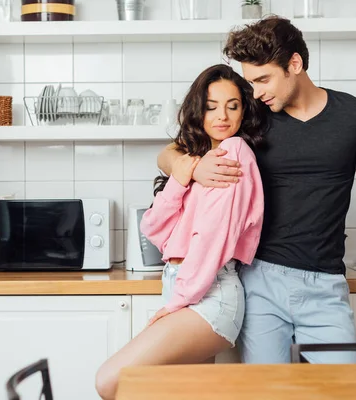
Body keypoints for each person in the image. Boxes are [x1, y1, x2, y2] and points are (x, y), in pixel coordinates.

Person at [156, 16, 356, 365]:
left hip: (326, 285)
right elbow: (171, 152)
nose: (257, 92)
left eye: (263, 79)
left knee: (343, 392)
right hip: (260, 280)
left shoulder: (355, 115)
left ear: (295, 64)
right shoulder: (252, 119)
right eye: (251, 82)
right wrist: (194, 167)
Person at [94, 64, 268, 400]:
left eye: (233, 106)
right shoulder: (195, 159)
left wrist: (180, 301)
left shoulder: (236, 153)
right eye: (212, 106)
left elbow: (213, 239)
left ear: (244, 112)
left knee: (111, 380)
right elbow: (153, 227)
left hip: (210, 294)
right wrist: (181, 176)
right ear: (197, 110)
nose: (223, 116)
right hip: (183, 283)